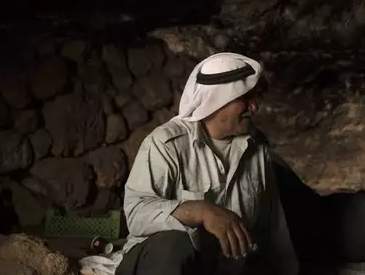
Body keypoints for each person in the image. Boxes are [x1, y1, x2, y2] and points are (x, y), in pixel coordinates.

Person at [116, 52, 299, 275]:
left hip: (219, 269)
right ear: (218, 101)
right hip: (155, 266)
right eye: (246, 99)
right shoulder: (166, 144)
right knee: (174, 244)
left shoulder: (257, 145)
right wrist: (201, 211)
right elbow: (136, 214)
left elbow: (272, 227)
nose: (254, 108)